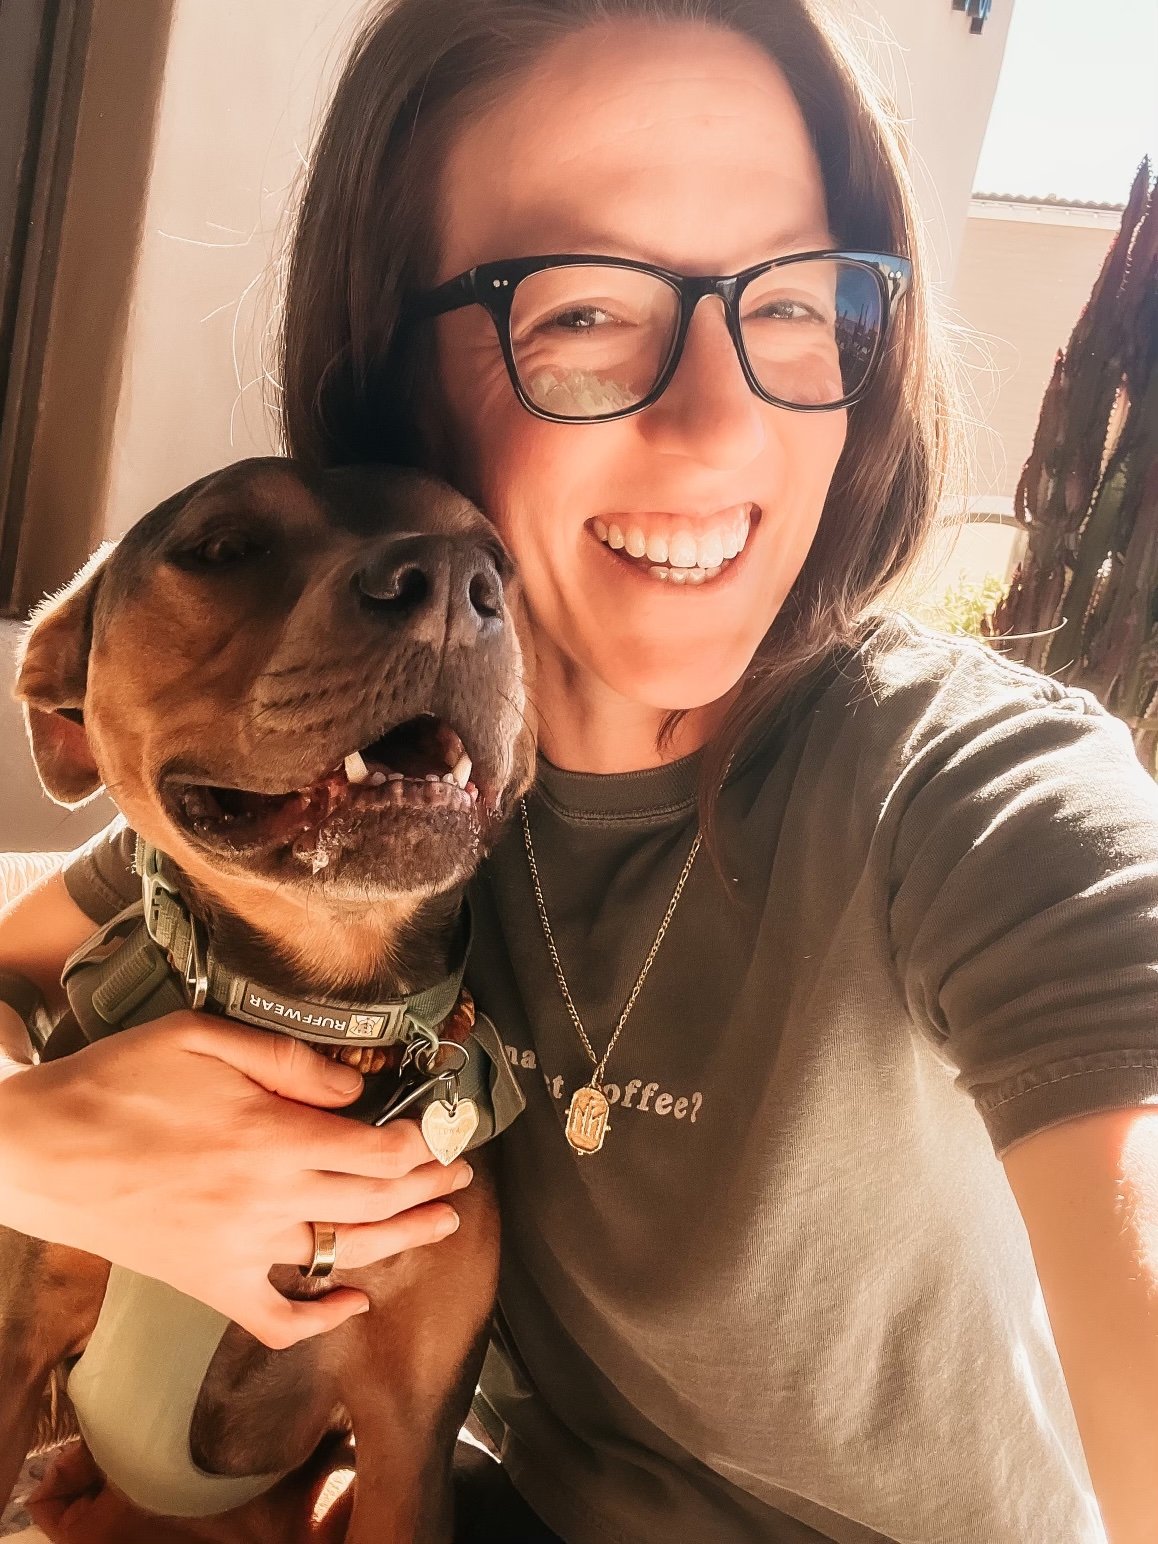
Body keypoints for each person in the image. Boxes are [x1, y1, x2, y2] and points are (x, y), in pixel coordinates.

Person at [2, 1, 1157, 1540]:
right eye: (584, 310)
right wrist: (32, 1149)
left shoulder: (978, 794)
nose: (717, 424)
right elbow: (28, 957)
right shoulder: (363, 787)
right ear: (393, 384)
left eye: (794, 302)